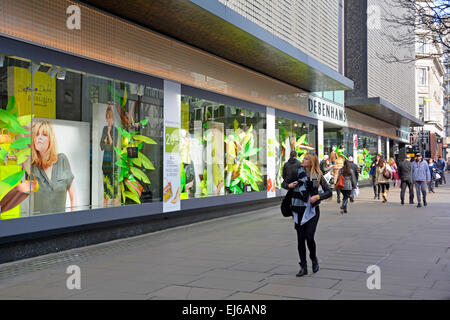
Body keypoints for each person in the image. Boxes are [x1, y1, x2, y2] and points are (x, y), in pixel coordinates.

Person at [289, 152, 332, 277]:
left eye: (306, 158)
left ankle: (313, 258)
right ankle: (303, 266)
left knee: (309, 237)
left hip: (312, 211)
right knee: (300, 239)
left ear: (312, 162)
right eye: (304, 158)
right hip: (298, 210)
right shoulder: (297, 173)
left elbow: (329, 192)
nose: (303, 160)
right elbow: (287, 186)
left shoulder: (318, 175)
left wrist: (317, 196)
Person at [26, 120, 76, 214]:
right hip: (37, 225)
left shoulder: (62, 160)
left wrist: (74, 222)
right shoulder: (31, 165)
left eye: (44, 134)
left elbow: (73, 198)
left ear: (50, 140)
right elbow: (20, 143)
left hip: (61, 224)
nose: (39, 137)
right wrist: (29, 128)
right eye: (37, 134)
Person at [100, 106, 119, 207]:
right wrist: (107, 143)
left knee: (114, 190)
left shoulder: (115, 130)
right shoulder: (104, 128)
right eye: (107, 118)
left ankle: (115, 212)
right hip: (105, 164)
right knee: (106, 190)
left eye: (110, 118)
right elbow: (102, 146)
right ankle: (105, 212)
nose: (109, 120)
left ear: (113, 118)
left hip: (113, 163)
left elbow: (113, 147)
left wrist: (108, 134)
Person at [281, 151, 302, 217]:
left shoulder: (286, 164)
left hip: (289, 184)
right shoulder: (299, 163)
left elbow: (283, 175)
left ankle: (290, 213)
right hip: (297, 184)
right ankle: (295, 213)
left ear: (290, 155)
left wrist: (288, 183)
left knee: (288, 198)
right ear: (296, 156)